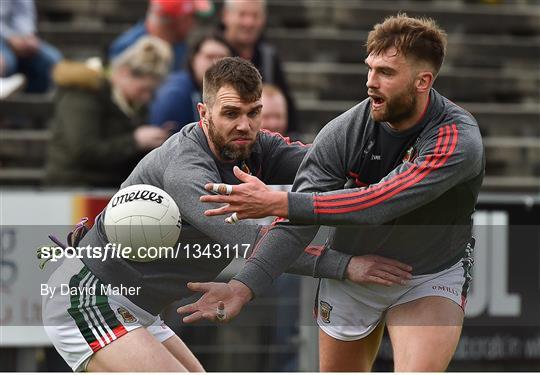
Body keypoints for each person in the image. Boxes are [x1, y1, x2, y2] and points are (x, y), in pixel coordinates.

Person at [42, 57, 412, 372]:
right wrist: (346, 266)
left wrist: (399, 165)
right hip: (89, 297)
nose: (244, 126)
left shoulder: (256, 146)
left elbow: (325, 165)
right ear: (204, 113)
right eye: (231, 114)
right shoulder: (186, 169)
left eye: (253, 114)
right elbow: (255, 244)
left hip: (138, 307)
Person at [180, 14, 485, 372]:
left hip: (429, 275)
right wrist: (242, 286)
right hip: (352, 275)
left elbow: (382, 202)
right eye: (370, 69)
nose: (370, 82)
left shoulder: (456, 138)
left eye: (386, 73)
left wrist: (281, 201)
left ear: (423, 81)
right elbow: (298, 225)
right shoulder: (345, 132)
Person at [45, 36, 172, 187]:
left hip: (110, 184)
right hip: (73, 185)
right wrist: (135, 141)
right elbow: (84, 151)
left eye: (151, 92)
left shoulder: (133, 104)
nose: (146, 97)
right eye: (143, 89)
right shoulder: (84, 94)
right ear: (124, 73)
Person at [221, 0, 298, 133]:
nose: (249, 23)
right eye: (242, 15)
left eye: (255, 16)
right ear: (226, 15)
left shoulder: (269, 57)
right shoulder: (212, 55)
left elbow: (289, 112)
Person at [148, 32, 233, 132]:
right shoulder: (175, 93)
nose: (216, 63)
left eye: (222, 58)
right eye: (209, 57)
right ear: (193, 58)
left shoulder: (220, 90)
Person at [109, 0, 211, 71]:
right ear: (174, 20)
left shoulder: (180, 43)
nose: (194, 24)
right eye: (191, 17)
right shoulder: (127, 49)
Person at [0, 0, 62, 93]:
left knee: (51, 59)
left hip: (19, 36)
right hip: (3, 38)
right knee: (6, 63)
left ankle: (30, 105)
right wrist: (9, 37)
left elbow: (23, 13)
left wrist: (28, 36)